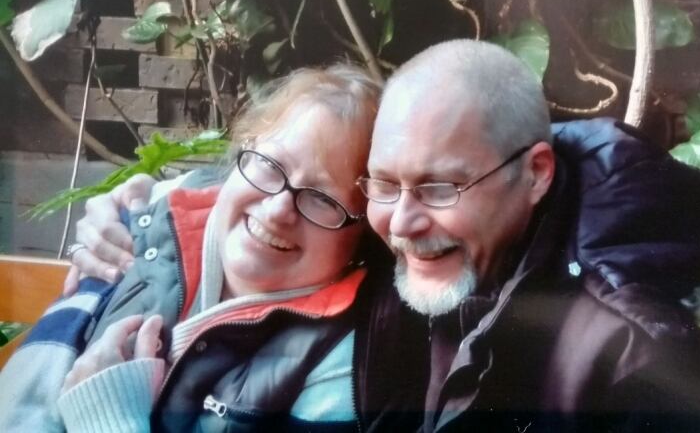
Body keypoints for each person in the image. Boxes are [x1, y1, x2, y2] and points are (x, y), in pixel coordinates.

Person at [54, 40, 700, 431]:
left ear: (535, 175)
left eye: (439, 188)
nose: (404, 224)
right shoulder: (401, 259)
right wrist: (137, 204)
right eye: (382, 185)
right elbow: (268, 177)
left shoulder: (630, 356)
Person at [0, 64, 426, 432]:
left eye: (322, 198)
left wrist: (108, 420)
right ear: (246, 148)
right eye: (270, 164)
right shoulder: (141, 232)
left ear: (362, 233)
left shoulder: (344, 363)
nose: (278, 208)